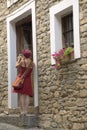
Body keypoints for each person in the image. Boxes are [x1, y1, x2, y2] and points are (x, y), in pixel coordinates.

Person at [13, 49, 34, 115]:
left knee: (22, 95)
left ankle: (22, 111)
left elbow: (16, 66)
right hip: (28, 80)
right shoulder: (32, 63)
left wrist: (18, 59)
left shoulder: (22, 61)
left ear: (24, 55)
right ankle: (26, 110)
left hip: (22, 80)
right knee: (27, 95)